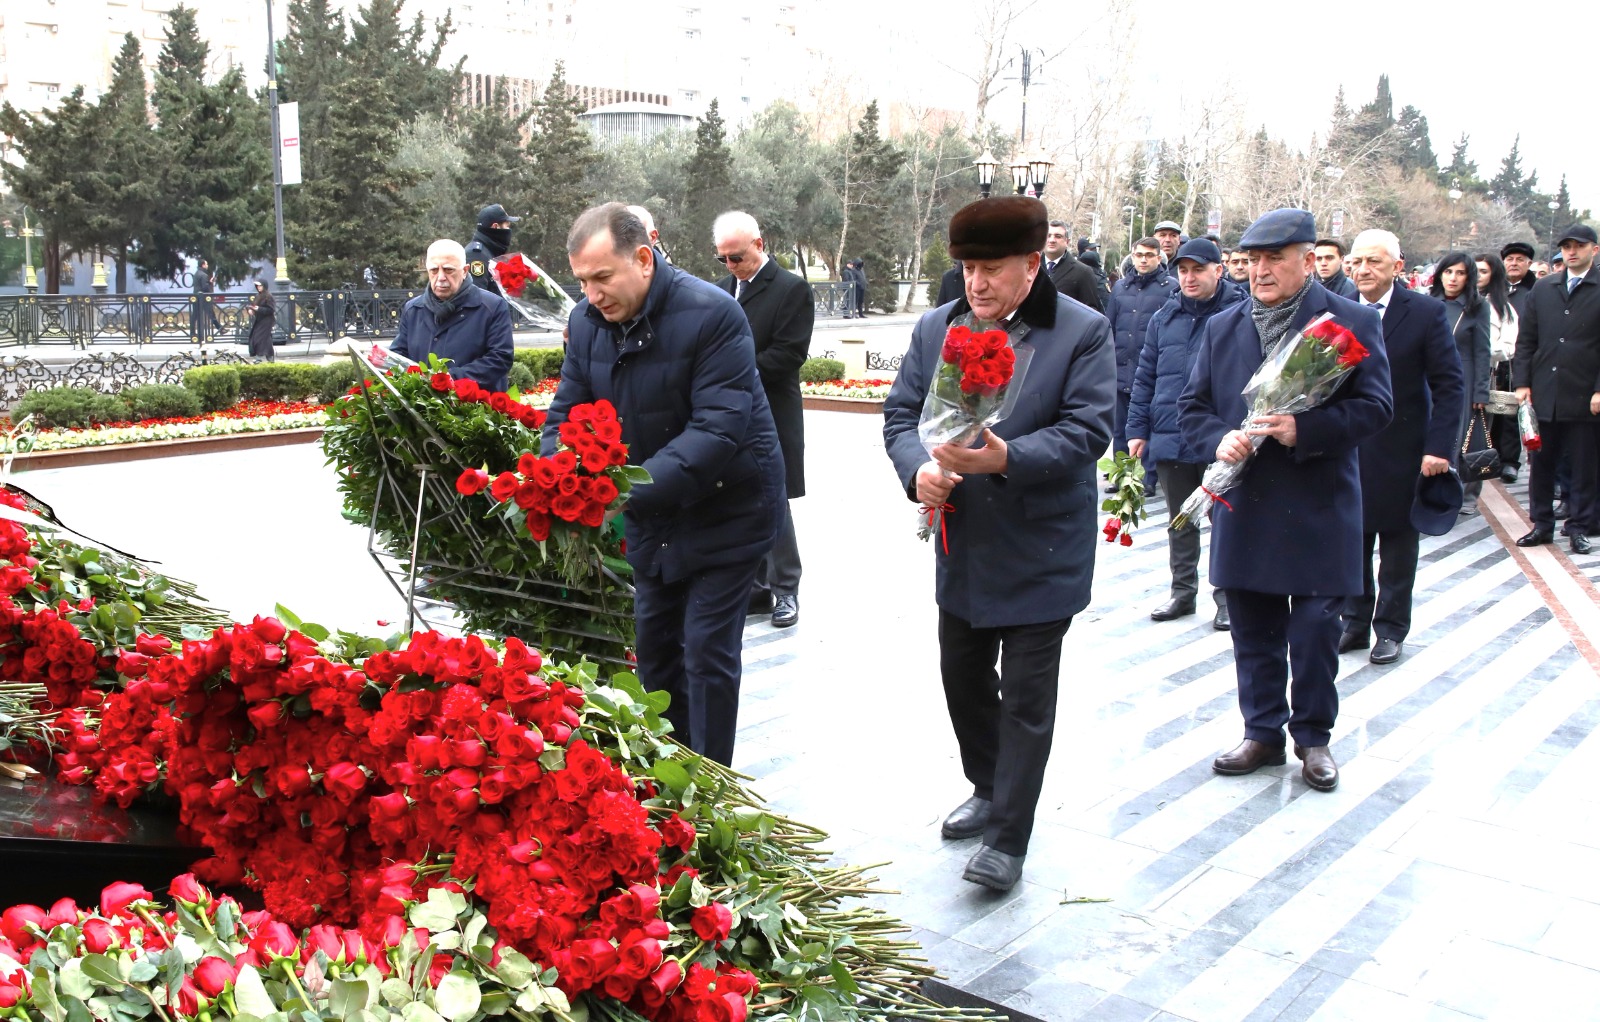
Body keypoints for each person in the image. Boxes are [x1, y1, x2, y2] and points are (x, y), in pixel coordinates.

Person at [883, 195, 1115, 891]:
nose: (975, 284)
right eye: (967, 269)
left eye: (991, 269)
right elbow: (900, 414)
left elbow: (1087, 429)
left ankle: (1009, 837)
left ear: (1032, 264)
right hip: (966, 541)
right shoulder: (936, 328)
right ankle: (987, 786)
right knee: (963, 678)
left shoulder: (1081, 331)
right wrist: (917, 470)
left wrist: (1006, 457)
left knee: (1026, 697)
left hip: (1043, 545)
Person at [549, 202, 784, 765]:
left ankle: (712, 792)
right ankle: (671, 776)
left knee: (707, 652)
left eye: (603, 278)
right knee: (654, 652)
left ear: (644, 259)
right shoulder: (586, 323)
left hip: (729, 506)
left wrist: (615, 488)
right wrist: (555, 473)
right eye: (582, 281)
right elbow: (566, 412)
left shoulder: (713, 314)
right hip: (651, 513)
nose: (592, 294)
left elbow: (717, 429)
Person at [1178, 208, 1392, 793]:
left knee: (1317, 629)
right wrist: (1216, 438)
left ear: (1308, 259)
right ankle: (1263, 732)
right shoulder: (1224, 328)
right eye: (1254, 261)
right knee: (1252, 626)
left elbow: (1378, 407)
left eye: (1276, 259)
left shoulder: (1348, 322)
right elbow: (1191, 408)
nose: (1262, 271)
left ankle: (1314, 737)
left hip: (1320, 502)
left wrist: (1307, 430)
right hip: (1247, 505)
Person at [1341, 229, 1465, 666]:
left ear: (1397, 267)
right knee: (1350, 540)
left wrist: (1440, 448)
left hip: (1403, 447)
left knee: (1396, 544)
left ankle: (1390, 628)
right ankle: (1353, 622)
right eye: (1357, 261)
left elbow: (1450, 386)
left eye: (1374, 262)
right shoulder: (1336, 309)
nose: (1363, 270)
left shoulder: (1425, 313)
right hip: (1348, 446)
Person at [1127, 238, 1244, 631]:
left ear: (1218, 270)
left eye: (1198, 269)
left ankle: (1227, 597)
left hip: (1220, 436)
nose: (1189, 277)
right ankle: (1182, 591)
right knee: (1181, 518)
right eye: (1183, 270)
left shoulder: (1241, 312)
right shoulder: (1165, 315)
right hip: (1170, 432)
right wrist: (1137, 429)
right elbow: (1146, 377)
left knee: (1225, 520)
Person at [712, 211, 813, 629]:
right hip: (726, 415)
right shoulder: (721, 291)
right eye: (723, 260)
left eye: (737, 257)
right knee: (736, 499)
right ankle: (753, 589)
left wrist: (730, 372)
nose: (731, 266)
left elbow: (789, 354)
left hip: (771, 411)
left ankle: (785, 589)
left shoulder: (791, 289)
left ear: (759, 244)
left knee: (774, 501)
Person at [1512, 224, 1600, 556]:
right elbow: (1526, 341)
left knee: (1583, 465)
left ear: (1595, 249)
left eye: (1579, 246)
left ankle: (1578, 526)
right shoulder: (1545, 288)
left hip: (1583, 395)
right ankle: (1542, 524)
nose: (1572, 251)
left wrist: (1598, 390)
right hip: (1544, 391)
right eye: (1566, 246)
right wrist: (1522, 382)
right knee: (1541, 464)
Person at [390, 240, 514, 392]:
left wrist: (449, 379)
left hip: (476, 409)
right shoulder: (413, 309)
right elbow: (398, 354)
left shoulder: (493, 307)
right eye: (434, 270)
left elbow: (500, 359)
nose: (441, 277)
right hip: (423, 409)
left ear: (465, 270)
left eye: (448, 270)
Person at [1430, 252, 1492, 508]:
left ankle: (1458, 493)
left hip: (1463, 377)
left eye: (1460, 273)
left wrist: (1481, 392)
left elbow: (1482, 350)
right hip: (1429, 376)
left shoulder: (1477, 306)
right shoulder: (1429, 302)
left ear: (1469, 277)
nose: (1453, 278)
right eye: (1448, 272)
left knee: (1459, 437)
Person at [1102, 237, 1173, 457]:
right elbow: (1109, 326)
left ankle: (1149, 477)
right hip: (1121, 365)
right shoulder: (1120, 288)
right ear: (1132, 256)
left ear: (1159, 258)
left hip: (1152, 367)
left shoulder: (1171, 288)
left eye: (1149, 255)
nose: (1143, 260)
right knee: (1120, 426)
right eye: (1139, 255)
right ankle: (1121, 473)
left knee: (1150, 422)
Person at [1477, 252, 1522, 482]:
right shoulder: (1454, 303)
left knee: (1483, 430)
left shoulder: (1503, 308)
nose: (1477, 276)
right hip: (1456, 374)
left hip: (1490, 374)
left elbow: (1509, 346)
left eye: (1483, 271)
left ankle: (1478, 479)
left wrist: (1481, 349)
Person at [1043, 220, 1104, 312]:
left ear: (1067, 241)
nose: (1052, 240)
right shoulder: (1029, 267)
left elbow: (1091, 312)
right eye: (1048, 236)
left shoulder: (1083, 272)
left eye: (1058, 236)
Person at [464, 204, 519, 297]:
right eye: (507, 226)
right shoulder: (476, 256)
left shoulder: (490, 252)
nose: (509, 230)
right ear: (495, 226)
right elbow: (476, 299)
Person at [1501, 241, 1539, 317]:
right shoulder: (1493, 287)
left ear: (1529, 264)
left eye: (1519, 259)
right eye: (1510, 259)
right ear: (1503, 263)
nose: (1514, 263)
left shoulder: (1537, 289)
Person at [247, 281, 276, 361]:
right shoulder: (258, 296)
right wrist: (251, 310)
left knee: (259, 337)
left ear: (264, 286)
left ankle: (259, 357)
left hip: (267, 321)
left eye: (260, 286)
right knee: (265, 339)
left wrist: (259, 309)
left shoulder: (268, 296)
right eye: (257, 286)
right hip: (260, 319)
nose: (259, 288)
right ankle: (270, 358)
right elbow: (253, 305)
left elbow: (271, 310)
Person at [190, 259, 218, 343]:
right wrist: (210, 285)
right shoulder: (204, 275)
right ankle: (220, 328)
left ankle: (192, 333)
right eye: (206, 264)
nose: (207, 266)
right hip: (203, 299)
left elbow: (200, 285)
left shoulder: (196, 273)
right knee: (211, 313)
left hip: (196, 297)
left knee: (195, 315)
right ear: (203, 265)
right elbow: (205, 288)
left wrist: (209, 282)